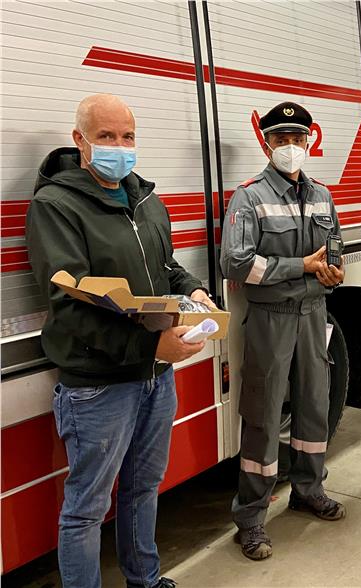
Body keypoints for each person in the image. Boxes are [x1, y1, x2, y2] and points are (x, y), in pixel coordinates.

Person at [26, 94, 215, 588]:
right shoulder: (55, 205)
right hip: (99, 385)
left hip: (155, 378)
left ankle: (145, 580)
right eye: (105, 137)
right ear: (79, 140)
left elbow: (168, 267)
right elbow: (68, 307)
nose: (118, 147)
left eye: (126, 137)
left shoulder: (146, 200)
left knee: (143, 489)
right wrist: (150, 349)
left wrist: (192, 288)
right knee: (86, 509)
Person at [220, 101, 346, 561]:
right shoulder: (249, 196)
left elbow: (333, 251)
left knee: (315, 406)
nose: (290, 147)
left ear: (308, 141)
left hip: (314, 314)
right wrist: (302, 266)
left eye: (298, 139)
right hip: (271, 320)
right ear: (266, 143)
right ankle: (251, 519)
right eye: (280, 139)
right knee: (263, 415)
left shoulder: (322, 195)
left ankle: (309, 490)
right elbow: (234, 262)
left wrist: (332, 271)